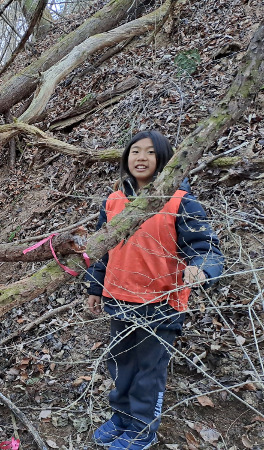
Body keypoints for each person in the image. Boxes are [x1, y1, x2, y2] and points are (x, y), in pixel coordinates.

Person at [85, 130, 224, 450]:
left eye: (150, 152)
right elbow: (101, 249)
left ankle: (142, 430)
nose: (141, 157)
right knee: (120, 363)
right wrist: (95, 287)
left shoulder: (180, 200)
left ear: (164, 159)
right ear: (126, 158)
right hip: (120, 298)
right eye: (135, 151)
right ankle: (120, 417)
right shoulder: (114, 200)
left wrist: (200, 268)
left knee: (148, 370)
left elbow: (206, 246)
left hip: (161, 303)